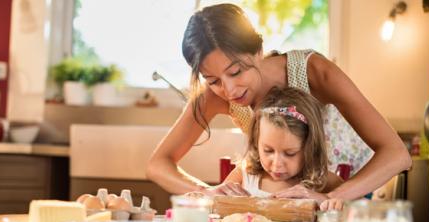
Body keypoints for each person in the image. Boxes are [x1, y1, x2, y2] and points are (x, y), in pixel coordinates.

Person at [146, 3, 411, 210]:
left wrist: (328, 197)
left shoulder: (314, 71)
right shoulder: (215, 96)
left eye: (236, 71)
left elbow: (397, 154)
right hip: (291, 199)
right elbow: (158, 164)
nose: (229, 90)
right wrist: (206, 194)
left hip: (348, 187)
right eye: (213, 80)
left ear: (258, 50)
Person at [223, 87, 343, 198]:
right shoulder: (244, 175)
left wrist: (324, 199)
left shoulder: (324, 182)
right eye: (268, 150)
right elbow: (213, 204)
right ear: (256, 142)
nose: (276, 164)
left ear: (310, 148)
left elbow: (355, 210)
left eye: (290, 153)